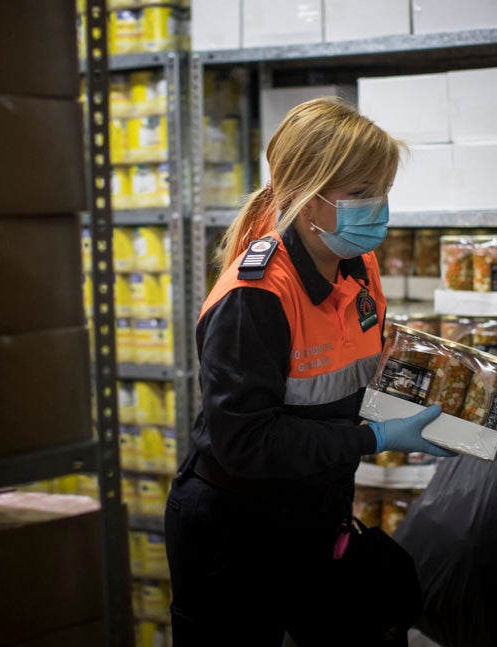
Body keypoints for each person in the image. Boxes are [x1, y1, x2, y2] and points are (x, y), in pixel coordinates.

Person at [164, 96, 454, 646]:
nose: (378, 208)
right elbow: (245, 442)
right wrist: (375, 438)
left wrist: (462, 409)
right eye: (361, 193)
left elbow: (360, 369)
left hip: (316, 513)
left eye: (384, 190)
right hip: (234, 530)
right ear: (306, 196)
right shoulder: (255, 297)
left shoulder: (358, 267)